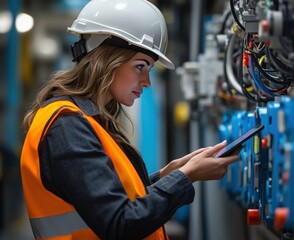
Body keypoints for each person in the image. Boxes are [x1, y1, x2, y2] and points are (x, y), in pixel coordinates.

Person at [20, 0, 239, 239]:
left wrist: (167, 175)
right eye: (140, 66)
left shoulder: (86, 121)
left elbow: (109, 199)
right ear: (106, 59)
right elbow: (121, 223)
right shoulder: (67, 127)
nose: (147, 81)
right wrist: (186, 177)